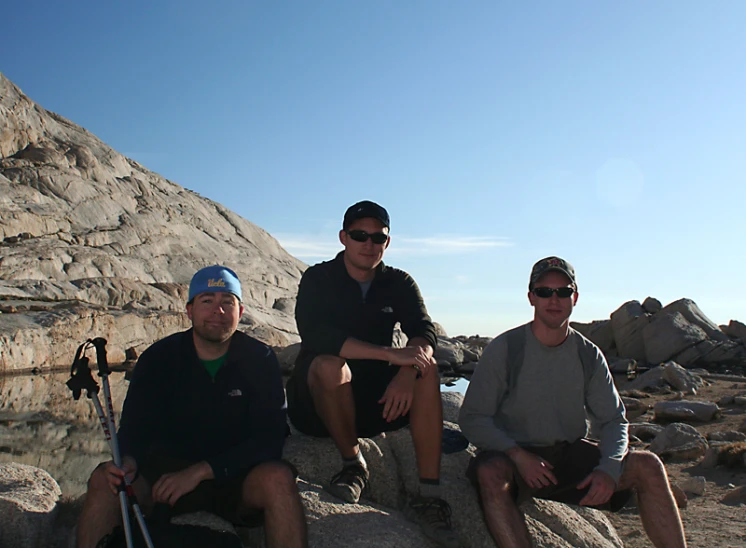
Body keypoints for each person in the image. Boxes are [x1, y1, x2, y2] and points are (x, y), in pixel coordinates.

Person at [458, 257, 687, 548]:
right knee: (488, 472)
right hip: (514, 459)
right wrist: (516, 454)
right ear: (531, 297)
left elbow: (614, 419)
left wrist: (609, 468)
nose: (554, 299)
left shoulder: (587, 355)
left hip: (567, 458)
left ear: (575, 297)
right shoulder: (505, 349)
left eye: (563, 291)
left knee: (649, 466)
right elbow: (473, 417)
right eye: (544, 291)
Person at [77, 265, 307, 548]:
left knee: (279, 479)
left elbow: (269, 439)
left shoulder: (259, 359)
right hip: (163, 480)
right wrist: (127, 460)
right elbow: (136, 427)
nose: (217, 311)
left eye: (227, 303)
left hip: (234, 478)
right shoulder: (159, 358)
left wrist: (201, 471)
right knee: (105, 480)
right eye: (207, 301)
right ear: (189, 310)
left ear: (241, 311)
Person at [286, 200, 460, 548]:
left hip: (376, 401)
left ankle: (428, 495)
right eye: (359, 236)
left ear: (387, 242)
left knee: (428, 369)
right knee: (327, 363)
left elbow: (424, 332)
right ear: (343, 238)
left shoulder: (398, 282)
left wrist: (408, 371)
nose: (369, 244)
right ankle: (353, 464)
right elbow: (318, 336)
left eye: (377, 238)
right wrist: (389, 355)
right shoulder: (319, 278)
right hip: (319, 405)